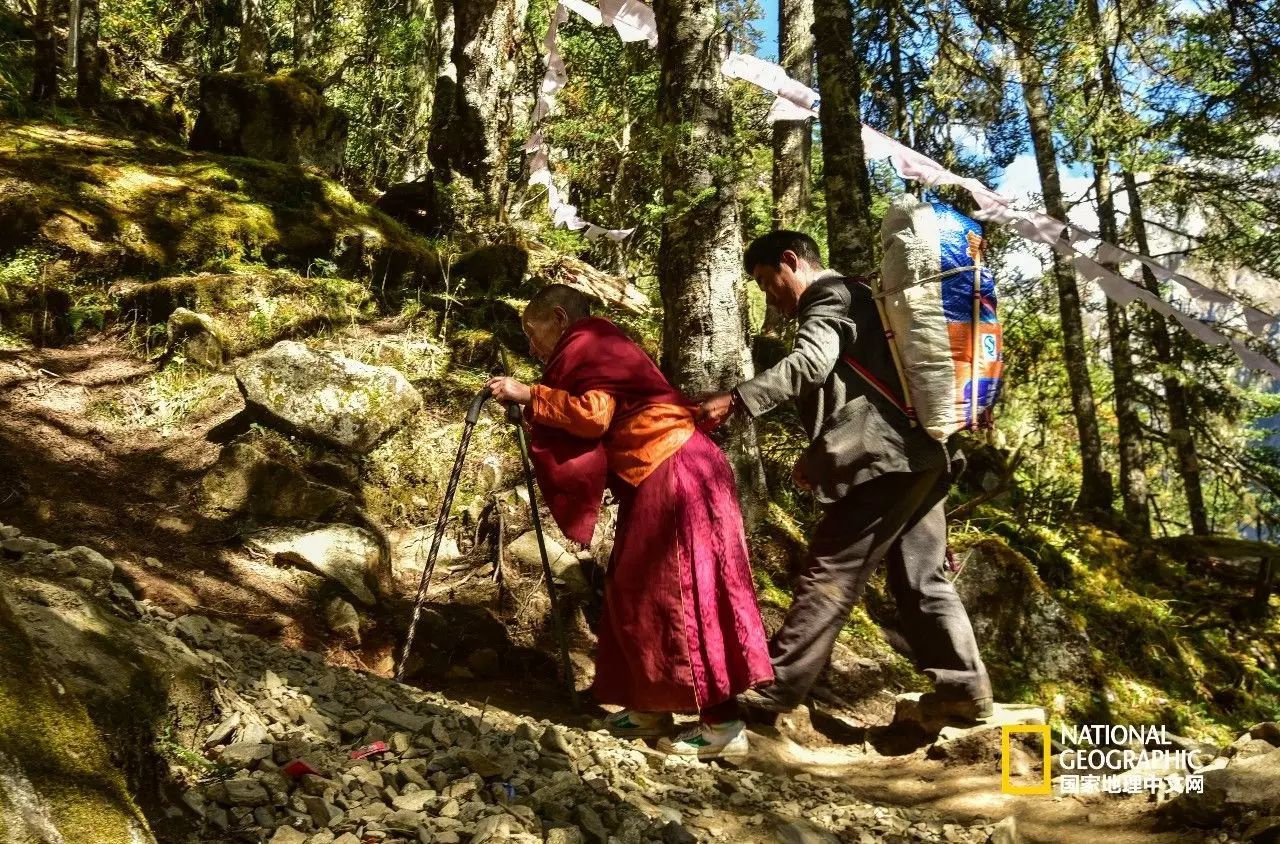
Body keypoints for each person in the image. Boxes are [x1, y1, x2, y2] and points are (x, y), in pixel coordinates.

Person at [698, 231, 993, 723]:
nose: (770, 296)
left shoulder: (829, 296)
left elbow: (812, 363)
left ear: (792, 261)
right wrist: (819, 456)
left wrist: (740, 398)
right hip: (923, 457)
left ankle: (773, 687)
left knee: (830, 572)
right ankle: (964, 688)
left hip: (885, 463)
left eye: (769, 282)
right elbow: (859, 395)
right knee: (923, 580)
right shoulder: (864, 298)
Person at [486, 284, 774, 759]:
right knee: (634, 590)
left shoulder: (590, 341)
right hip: (663, 470)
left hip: (675, 469)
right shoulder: (599, 346)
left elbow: (595, 416)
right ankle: (648, 707)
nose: (531, 347)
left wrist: (529, 394)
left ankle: (723, 725)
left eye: (532, 332)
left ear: (559, 318)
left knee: (682, 592)